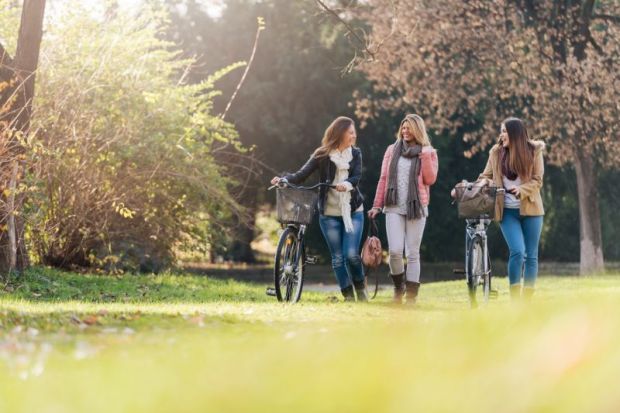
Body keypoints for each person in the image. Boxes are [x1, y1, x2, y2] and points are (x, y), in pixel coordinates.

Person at [271, 116, 366, 301]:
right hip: (329, 215)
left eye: (354, 133)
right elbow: (301, 174)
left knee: (352, 255)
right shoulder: (322, 154)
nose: (354, 136)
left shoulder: (356, 154)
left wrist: (346, 184)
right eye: (351, 133)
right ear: (340, 133)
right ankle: (348, 296)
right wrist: (284, 179)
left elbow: (356, 177)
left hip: (353, 212)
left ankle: (361, 289)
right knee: (338, 258)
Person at [369, 114, 438, 304]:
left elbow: (430, 179)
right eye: (403, 128)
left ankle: (411, 298)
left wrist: (424, 154)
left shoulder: (429, 152)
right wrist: (376, 205)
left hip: (417, 208)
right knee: (395, 251)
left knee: (413, 253)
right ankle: (398, 289)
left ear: (418, 130)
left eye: (409, 128)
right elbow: (383, 179)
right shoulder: (392, 150)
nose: (405, 131)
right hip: (393, 206)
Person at [477, 117, 545, 300]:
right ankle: (515, 299)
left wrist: (521, 189)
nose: (502, 135)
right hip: (507, 212)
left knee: (531, 256)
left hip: (532, 211)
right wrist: (484, 182)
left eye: (505, 131)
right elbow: (486, 175)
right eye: (501, 131)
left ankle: (527, 300)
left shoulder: (534, 151)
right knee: (517, 251)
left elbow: (537, 180)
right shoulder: (496, 153)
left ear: (515, 134)